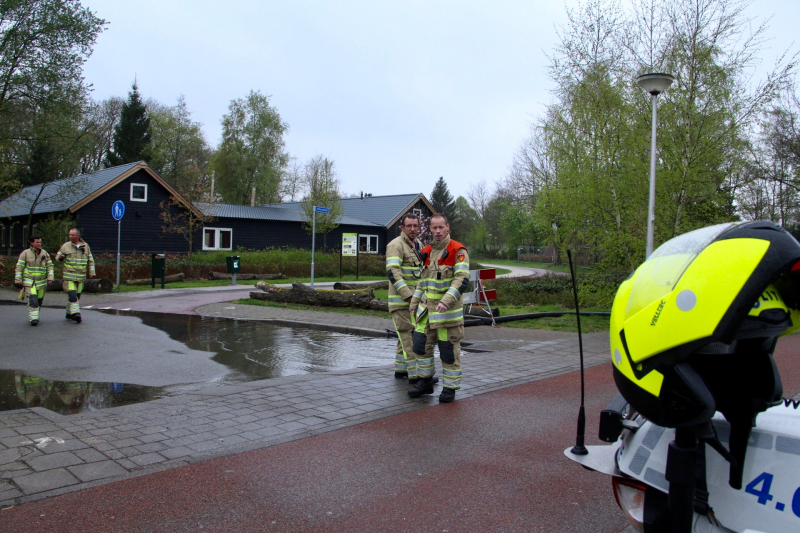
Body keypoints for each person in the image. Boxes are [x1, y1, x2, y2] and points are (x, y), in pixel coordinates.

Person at [408, 214, 470, 403]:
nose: (437, 231)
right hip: (426, 313)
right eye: (434, 228)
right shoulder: (426, 251)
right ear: (430, 229)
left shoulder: (457, 250)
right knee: (420, 348)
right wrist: (414, 303)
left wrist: (446, 300)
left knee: (448, 352)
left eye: (440, 227)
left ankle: (449, 388)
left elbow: (461, 279)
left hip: (446, 315)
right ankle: (425, 382)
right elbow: (422, 282)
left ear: (447, 227)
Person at [386, 213, 426, 382]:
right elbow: (393, 273)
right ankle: (415, 374)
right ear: (402, 227)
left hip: (414, 301)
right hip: (402, 302)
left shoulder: (418, 244)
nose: (412, 229)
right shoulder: (396, 245)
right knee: (408, 338)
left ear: (419, 227)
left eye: (415, 226)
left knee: (405, 336)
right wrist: (409, 297)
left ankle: (400, 370)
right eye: (409, 226)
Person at [56, 228, 95, 323]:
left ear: (78, 236)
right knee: (72, 295)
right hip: (69, 276)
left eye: (73, 235)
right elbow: (57, 257)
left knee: (77, 297)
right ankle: (76, 314)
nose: (71, 237)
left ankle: (69, 313)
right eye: (69, 235)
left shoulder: (85, 246)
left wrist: (92, 272)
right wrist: (60, 257)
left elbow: (90, 260)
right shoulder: (66, 246)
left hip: (81, 277)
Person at [14, 235, 55, 326]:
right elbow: (19, 267)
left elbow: (50, 266)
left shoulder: (44, 253)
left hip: (41, 282)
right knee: (33, 299)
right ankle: (33, 318)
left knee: (39, 300)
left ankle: (35, 315)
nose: (39, 244)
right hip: (29, 281)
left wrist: (50, 277)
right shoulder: (25, 253)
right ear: (32, 243)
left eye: (40, 242)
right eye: (37, 242)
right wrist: (18, 279)